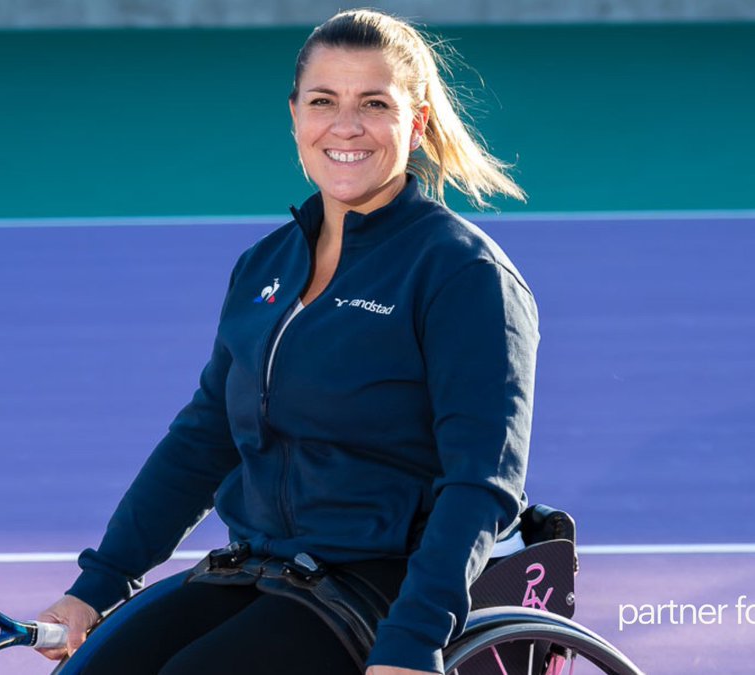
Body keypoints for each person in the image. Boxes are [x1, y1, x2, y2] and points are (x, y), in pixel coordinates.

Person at [37, 8, 538, 675]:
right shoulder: (265, 265)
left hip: (379, 589)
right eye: (324, 102)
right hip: (255, 571)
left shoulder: (462, 274)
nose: (346, 126)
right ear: (296, 116)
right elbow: (203, 438)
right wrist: (96, 585)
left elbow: (481, 481)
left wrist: (414, 641)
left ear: (415, 124)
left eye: (374, 105)